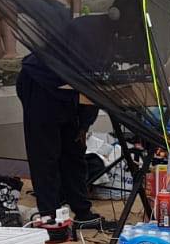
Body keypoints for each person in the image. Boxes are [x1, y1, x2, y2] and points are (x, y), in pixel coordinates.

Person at [14, 50, 103, 231]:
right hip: (40, 80)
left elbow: (95, 91)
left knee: (74, 153)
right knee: (45, 154)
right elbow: (94, 88)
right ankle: (50, 216)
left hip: (70, 83)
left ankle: (83, 213)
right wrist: (84, 122)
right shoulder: (98, 42)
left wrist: (83, 125)